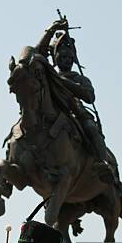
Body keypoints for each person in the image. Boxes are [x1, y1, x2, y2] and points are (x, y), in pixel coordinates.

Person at [35, 19, 109, 175]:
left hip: (75, 112)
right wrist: (52, 28)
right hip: (53, 110)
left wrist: (65, 83)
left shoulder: (79, 78)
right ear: (55, 58)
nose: (67, 60)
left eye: (70, 58)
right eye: (63, 57)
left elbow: (89, 96)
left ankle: (103, 163)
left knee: (90, 127)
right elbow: (37, 53)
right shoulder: (50, 74)